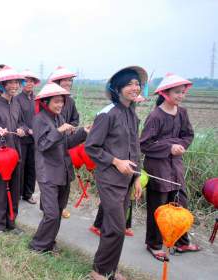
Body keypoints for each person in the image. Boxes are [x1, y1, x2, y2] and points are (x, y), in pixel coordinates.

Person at [85, 66, 145, 280]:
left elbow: (134, 147)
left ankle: (111, 269)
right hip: (110, 179)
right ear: (117, 88)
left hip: (127, 179)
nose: (135, 87)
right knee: (116, 227)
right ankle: (98, 270)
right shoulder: (107, 114)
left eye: (137, 84)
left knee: (116, 227)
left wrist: (137, 177)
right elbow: (91, 147)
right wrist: (116, 161)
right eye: (129, 84)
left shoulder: (131, 113)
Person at [140, 73, 200, 262]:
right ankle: (154, 244)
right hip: (158, 167)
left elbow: (188, 134)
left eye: (182, 93)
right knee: (158, 206)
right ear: (165, 93)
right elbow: (144, 144)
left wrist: (181, 145)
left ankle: (181, 241)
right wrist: (169, 147)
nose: (180, 96)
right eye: (177, 93)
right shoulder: (155, 116)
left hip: (176, 167)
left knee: (181, 203)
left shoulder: (182, 113)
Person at [29, 82, 88, 253]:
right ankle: (38, 246)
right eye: (56, 101)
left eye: (62, 101)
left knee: (58, 210)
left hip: (63, 170)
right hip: (47, 172)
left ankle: (49, 242)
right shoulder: (39, 119)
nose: (60, 105)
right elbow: (42, 145)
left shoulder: (59, 118)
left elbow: (67, 143)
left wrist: (83, 132)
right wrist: (59, 130)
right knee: (52, 213)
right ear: (45, 102)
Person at [0, 66, 27, 234]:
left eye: (16, 82)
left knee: (15, 187)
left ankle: (11, 222)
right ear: (2, 85)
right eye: (10, 83)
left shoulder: (17, 104)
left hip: (16, 152)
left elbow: (22, 123)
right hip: (0, 154)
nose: (14, 86)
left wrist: (23, 129)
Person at [48, 66, 81, 218]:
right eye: (65, 80)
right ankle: (48, 208)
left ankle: (61, 207)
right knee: (51, 179)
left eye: (70, 80)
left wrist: (71, 127)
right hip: (51, 143)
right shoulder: (48, 101)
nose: (68, 83)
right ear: (56, 82)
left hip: (67, 142)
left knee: (66, 177)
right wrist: (59, 129)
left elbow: (75, 119)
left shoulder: (71, 101)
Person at [13, 70, 40, 204]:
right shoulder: (16, 99)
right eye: (26, 81)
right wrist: (27, 129)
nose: (29, 83)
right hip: (21, 138)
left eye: (31, 81)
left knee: (32, 167)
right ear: (21, 83)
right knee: (21, 166)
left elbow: (41, 118)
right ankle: (17, 194)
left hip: (35, 139)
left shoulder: (37, 100)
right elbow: (16, 119)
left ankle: (28, 194)